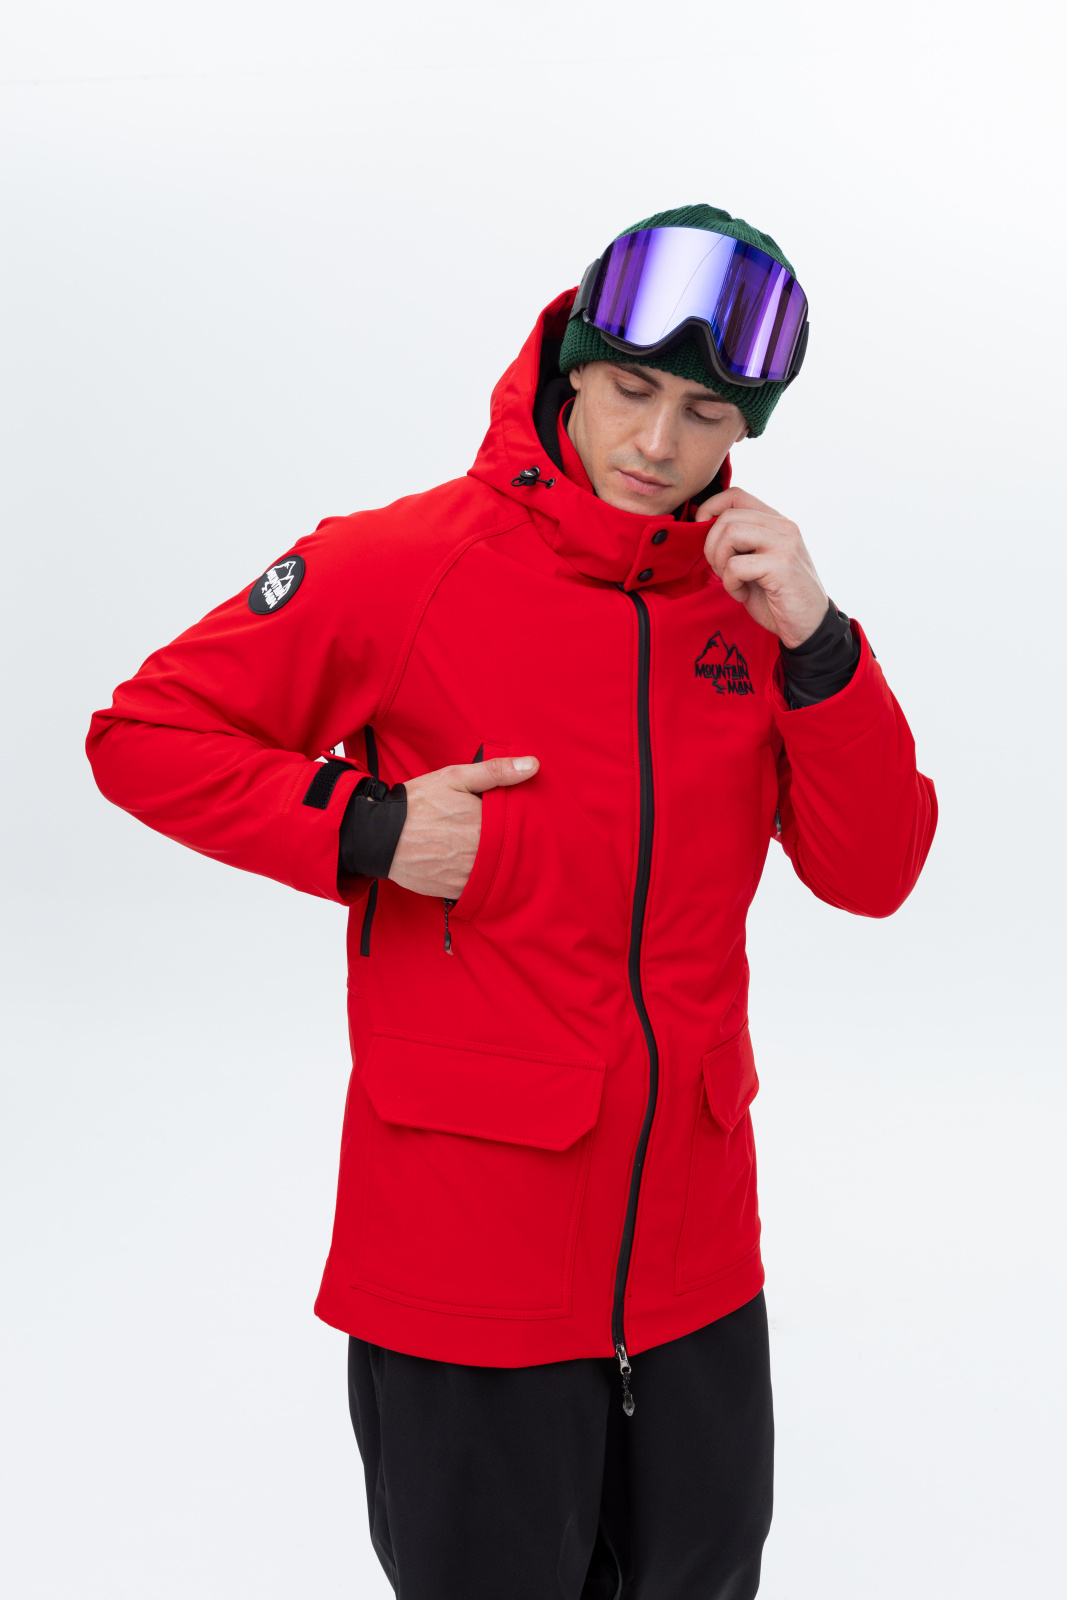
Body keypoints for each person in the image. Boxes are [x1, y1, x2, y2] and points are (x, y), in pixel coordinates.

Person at [86, 202, 937, 1598]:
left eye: (705, 414)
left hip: (695, 1270)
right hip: (467, 1270)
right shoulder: (404, 564)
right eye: (631, 390)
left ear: (746, 430)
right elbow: (143, 735)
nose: (657, 444)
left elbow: (876, 870)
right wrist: (367, 826)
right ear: (572, 368)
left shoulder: (752, 607)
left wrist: (821, 645)